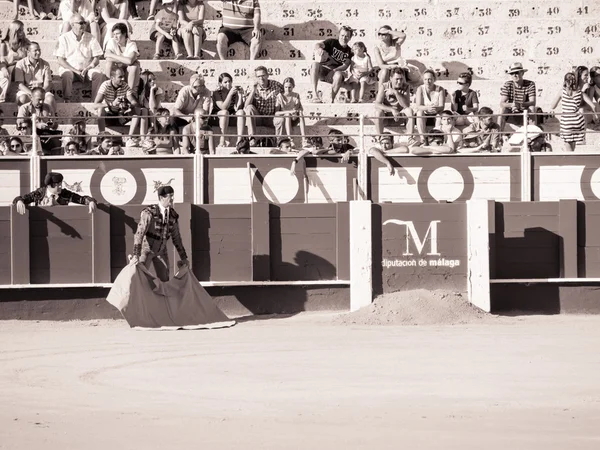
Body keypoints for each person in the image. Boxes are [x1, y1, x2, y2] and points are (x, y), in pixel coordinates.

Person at [130, 185, 189, 282]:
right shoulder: (149, 213)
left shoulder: (172, 216)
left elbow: (176, 238)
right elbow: (139, 234)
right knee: (139, 278)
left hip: (161, 251)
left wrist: (184, 257)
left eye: (173, 196)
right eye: (170, 196)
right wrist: (136, 254)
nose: (172, 199)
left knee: (165, 280)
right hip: (146, 250)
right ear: (162, 197)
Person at [55, 13, 105, 101]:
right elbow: (60, 60)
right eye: (80, 23)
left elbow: (97, 57)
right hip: (71, 70)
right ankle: (67, 100)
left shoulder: (91, 37)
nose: (83, 25)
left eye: (84, 23)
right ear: (72, 24)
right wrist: (75, 71)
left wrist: (89, 67)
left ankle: (95, 102)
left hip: (86, 70)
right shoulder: (64, 38)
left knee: (99, 75)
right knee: (66, 74)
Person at [13, 171, 97, 215]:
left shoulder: (64, 193)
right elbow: (20, 199)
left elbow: (82, 199)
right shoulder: (40, 193)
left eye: (60, 184)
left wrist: (91, 201)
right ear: (49, 186)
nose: (60, 187)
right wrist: (19, 201)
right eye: (57, 185)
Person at [94, 67, 142, 143]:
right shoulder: (105, 85)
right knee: (100, 110)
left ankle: (129, 139)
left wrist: (129, 105)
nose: (123, 79)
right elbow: (95, 105)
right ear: (112, 78)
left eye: (123, 76)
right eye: (120, 77)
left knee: (136, 111)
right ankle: (102, 138)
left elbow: (134, 102)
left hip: (120, 114)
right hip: (108, 115)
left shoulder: (125, 85)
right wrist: (112, 104)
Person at [311, 26, 353, 103]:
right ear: (339, 35)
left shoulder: (349, 51)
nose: (344, 38)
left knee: (338, 75)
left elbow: (345, 65)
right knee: (314, 64)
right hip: (323, 69)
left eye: (346, 36)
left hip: (334, 73)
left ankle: (332, 99)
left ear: (350, 38)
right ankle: (314, 94)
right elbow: (318, 44)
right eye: (342, 35)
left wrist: (336, 70)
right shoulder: (331, 42)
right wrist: (319, 48)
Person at [373, 67, 415, 141]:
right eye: (397, 79)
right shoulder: (384, 86)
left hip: (399, 117)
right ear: (391, 78)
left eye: (401, 79)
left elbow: (406, 106)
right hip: (387, 117)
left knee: (409, 111)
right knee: (378, 112)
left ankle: (409, 137)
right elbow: (377, 104)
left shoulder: (406, 86)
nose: (399, 82)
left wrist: (396, 93)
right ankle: (380, 138)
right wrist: (392, 110)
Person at [17, 87, 62, 155]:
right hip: (30, 135)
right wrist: (37, 125)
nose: (42, 102)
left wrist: (52, 125)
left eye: (43, 99)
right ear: (31, 98)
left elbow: (55, 125)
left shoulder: (48, 107)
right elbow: (20, 124)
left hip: (45, 135)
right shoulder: (24, 108)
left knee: (56, 140)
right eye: (39, 100)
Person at [244, 66, 283, 142]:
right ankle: (252, 138)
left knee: (280, 119)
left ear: (267, 75)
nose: (261, 78)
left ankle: (279, 142)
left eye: (263, 75)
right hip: (259, 117)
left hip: (272, 117)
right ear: (256, 77)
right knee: (249, 108)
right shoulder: (252, 87)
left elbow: (287, 94)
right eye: (258, 76)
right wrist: (253, 91)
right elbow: (246, 106)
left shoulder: (276, 85)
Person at [14, 42, 56, 113]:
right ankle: (23, 122)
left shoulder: (45, 64)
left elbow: (47, 84)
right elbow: (20, 85)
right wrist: (32, 94)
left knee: (50, 99)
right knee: (22, 99)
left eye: (39, 50)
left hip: (42, 91)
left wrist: (39, 94)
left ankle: (49, 121)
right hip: (27, 91)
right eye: (35, 50)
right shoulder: (20, 64)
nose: (38, 52)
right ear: (28, 52)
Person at [550, 72, 587, 152]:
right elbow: (591, 105)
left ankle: (572, 163)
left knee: (569, 151)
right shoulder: (579, 92)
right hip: (577, 122)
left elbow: (553, 106)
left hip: (566, 122)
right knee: (573, 149)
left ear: (565, 81)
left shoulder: (562, 92)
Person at [499, 62, 536, 132]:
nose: (514, 75)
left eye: (517, 73)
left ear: (522, 73)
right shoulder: (508, 84)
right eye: (512, 73)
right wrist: (512, 105)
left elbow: (533, 102)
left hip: (525, 108)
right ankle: (499, 135)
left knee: (532, 108)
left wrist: (520, 105)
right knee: (502, 109)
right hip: (511, 109)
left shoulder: (530, 84)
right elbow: (502, 103)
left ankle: (532, 135)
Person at [104, 22, 141, 93]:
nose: (115, 36)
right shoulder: (111, 41)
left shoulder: (132, 44)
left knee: (134, 66)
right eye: (114, 34)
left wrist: (112, 55)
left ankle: (129, 93)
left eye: (117, 34)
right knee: (109, 63)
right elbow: (107, 57)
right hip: (117, 69)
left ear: (124, 34)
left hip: (127, 70)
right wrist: (125, 60)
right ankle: (109, 90)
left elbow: (130, 61)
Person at [210, 72, 245, 147]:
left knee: (241, 112)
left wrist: (240, 95)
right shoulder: (216, 93)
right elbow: (223, 107)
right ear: (220, 83)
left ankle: (239, 141)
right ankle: (222, 140)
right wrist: (230, 94)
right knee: (225, 112)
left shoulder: (234, 93)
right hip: (218, 117)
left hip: (230, 116)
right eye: (225, 82)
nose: (228, 84)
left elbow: (238, 108)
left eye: (229, 81)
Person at [0, 20, 29, 103]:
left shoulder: (25, 42)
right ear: (13, 31)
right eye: (20, 30)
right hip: (10, 68)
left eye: (22, 30)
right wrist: (3, 68)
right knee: (5, 74)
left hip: (22, 68)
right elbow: (2, 60)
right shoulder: (4, 44)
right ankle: (2, 98)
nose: (22, 32)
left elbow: (32, 52)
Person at [414, 69, 446, 144]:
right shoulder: (420, 89)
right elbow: (418, 106)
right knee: (419, 113)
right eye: (425, 79)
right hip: (425, 114)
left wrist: (435, 108)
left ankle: (435, 137)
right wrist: (427, 108)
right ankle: (423, 138)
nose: (427, 82)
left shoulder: (440, 89)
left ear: (434, 79)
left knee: (439, 116)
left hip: (435, 114)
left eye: (429, 79)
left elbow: (442, 106)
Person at [274, 77, 306, 142]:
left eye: (289, 87)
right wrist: (289, 111)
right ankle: (290, 139)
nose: (287, 89)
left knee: (300, 114)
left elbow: (301, 109)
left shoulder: (296, 95)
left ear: (293, 87)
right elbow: (276, 113)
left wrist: (297, 109)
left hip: (293, 118)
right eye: (286, 87)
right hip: (285, 118)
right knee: (287, 114)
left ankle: (304, 139)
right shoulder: (280, 96)